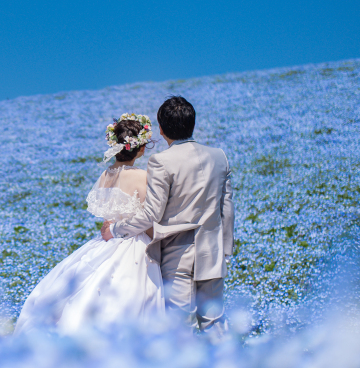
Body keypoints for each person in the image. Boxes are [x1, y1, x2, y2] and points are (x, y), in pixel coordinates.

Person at [14, 114, 163, 335]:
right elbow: (147, 220)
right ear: (140, 149)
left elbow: (107, 219)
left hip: (105, 241)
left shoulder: (106, 174)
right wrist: (158, 242)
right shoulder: (142, 176)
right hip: (135, 245)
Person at [101, 96, 234, 333]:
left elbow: (151, 213)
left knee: (180, 329)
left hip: (177, 256)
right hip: (212, 253)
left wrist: (115, 230)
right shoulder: (219, 156)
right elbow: (227, 209)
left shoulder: (161, 161)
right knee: (215, 325)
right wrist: (225, 250)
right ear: (193, 123)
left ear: (161, 130)